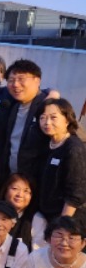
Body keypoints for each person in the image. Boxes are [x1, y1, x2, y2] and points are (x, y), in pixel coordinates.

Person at [37, 98, 86, 229]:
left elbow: (76, 193)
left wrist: (62, 225)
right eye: (42, 118)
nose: (47, 122)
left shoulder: (73, 148)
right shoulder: (45, 143)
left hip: (67, 220)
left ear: (67, 120)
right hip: (45, 216)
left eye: (53, 117)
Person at [0, 173, 48, 251]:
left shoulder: (37, 219)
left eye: (26, 191)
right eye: (15, 188)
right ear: (5, 190)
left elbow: (38, 252)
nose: (20, 195)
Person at [4, 59, 50, 178]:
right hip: (13, 178)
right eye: (11, 80)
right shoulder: (14, 106)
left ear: (37, 80)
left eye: (21, 79)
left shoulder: (48, 106)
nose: (15, 84)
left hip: (37, 180)